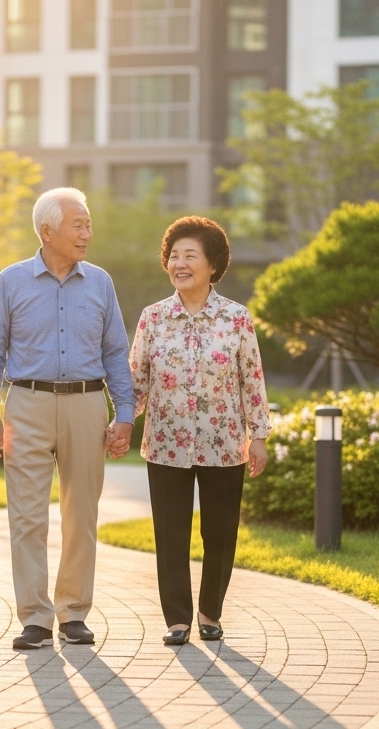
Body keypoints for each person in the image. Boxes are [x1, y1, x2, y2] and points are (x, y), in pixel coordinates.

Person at [0, 187, 135, 651]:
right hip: (25, 404)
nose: (87, 233)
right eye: (78, 225)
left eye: (88, 224)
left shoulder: (101, 283)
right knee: (26, 515)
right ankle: (34, 617)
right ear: (47, 231)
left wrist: (123, 413)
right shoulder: (10, 281)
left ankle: (74, 614)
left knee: (81, 513)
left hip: (87, 404)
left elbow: (115, 352)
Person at [128, 215, 270, 645]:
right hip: (166, 443)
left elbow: (252, 379)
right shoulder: (153, 319)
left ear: (213, 265)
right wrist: (118, 422)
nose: (180, 263)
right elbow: (136, 380)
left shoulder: (236, 319)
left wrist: (258, 434)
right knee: (170, 533)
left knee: (220, 531)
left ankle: (210, 612)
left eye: (191, 255)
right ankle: (177, 620)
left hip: (224, 443)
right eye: (174, 255)